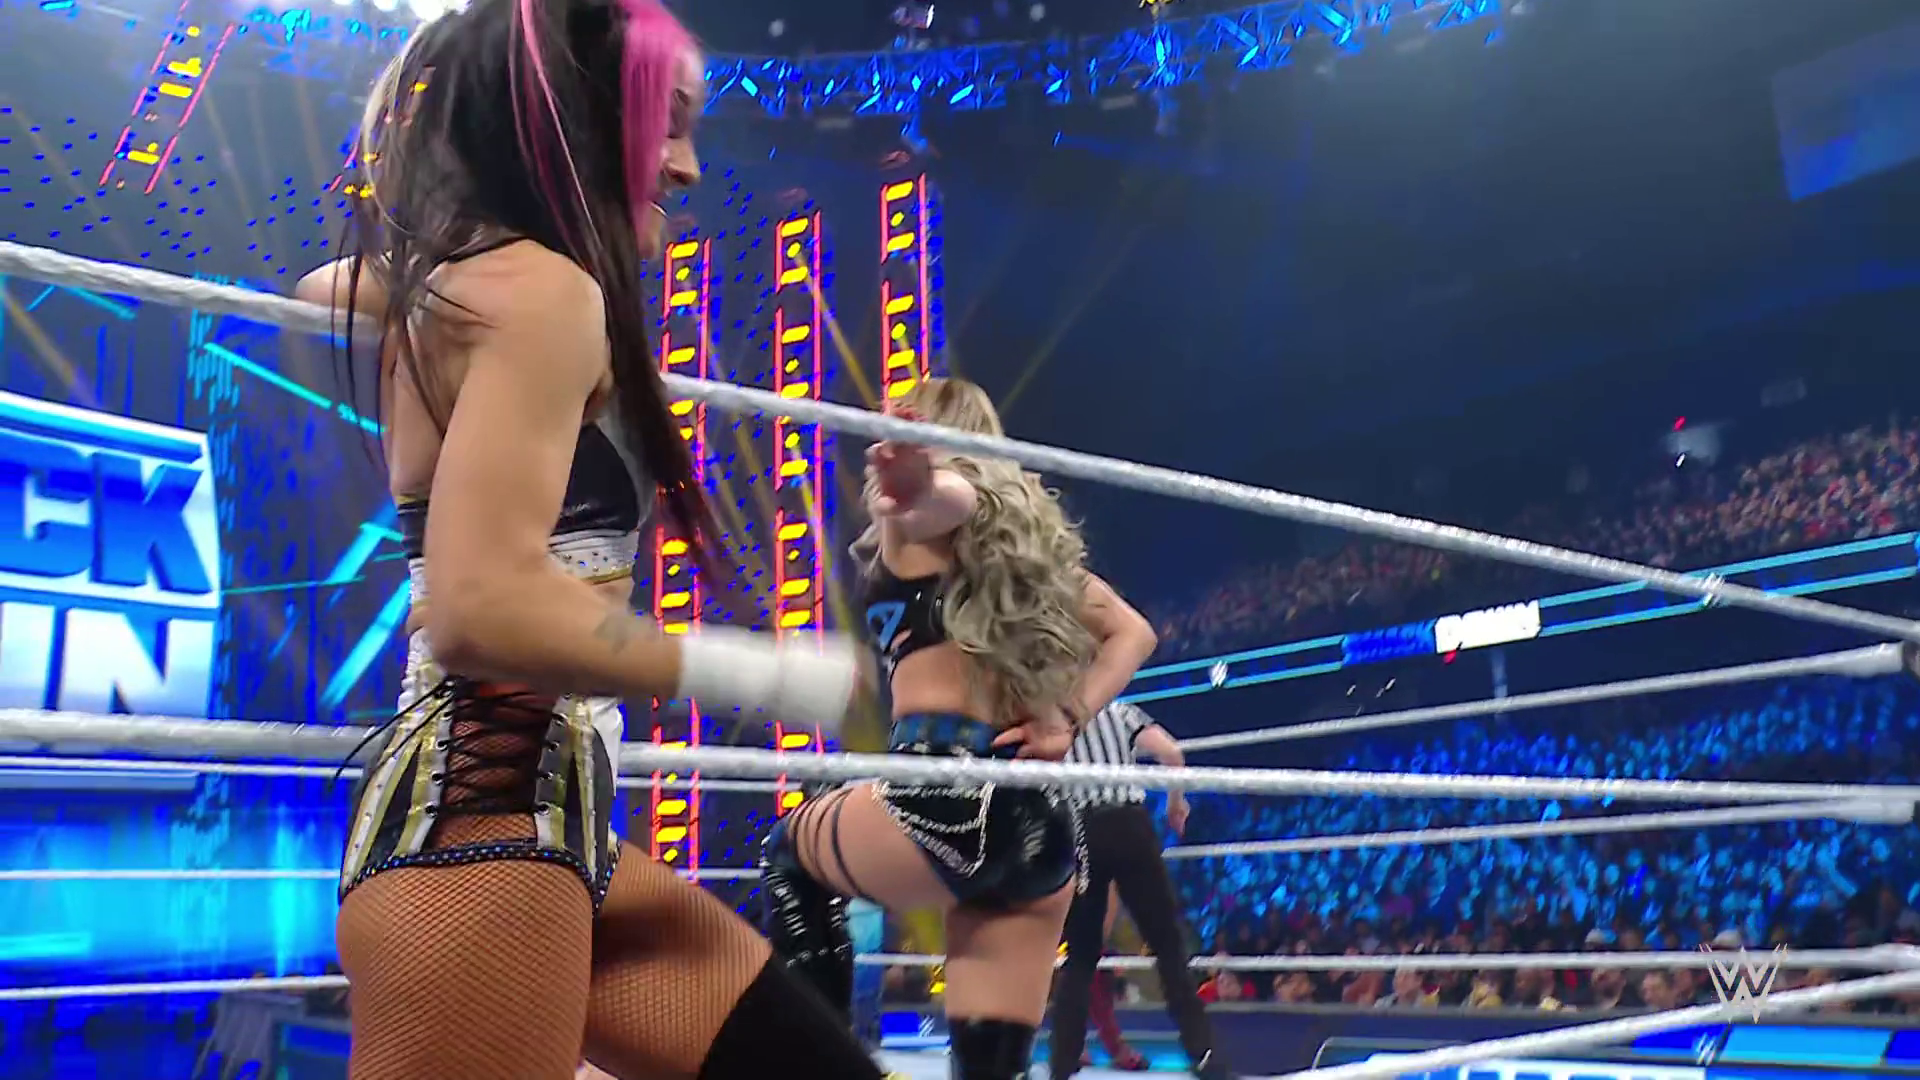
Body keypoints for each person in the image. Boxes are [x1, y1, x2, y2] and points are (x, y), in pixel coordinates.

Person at [296, 1, 886, 1076]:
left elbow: (322, 289)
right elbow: (479, 611)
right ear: (578, 115)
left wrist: (424, 273)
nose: (689, 166)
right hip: (482, 830)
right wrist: (766, 673)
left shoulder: (472, 284)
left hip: (550, 816)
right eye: (670, 121)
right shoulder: (542, 292)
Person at [756, 377, 1160, 1079]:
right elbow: (1135, 633)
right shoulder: (1034, 558)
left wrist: (915, 482)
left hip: (941, 802)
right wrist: (1068, 716)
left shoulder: (917, 521)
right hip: (1039, 824)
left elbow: (944, 500)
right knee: (989, 1069)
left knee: (790, 853)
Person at [1048, 701, 1233, 1080]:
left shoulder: (1051, 717)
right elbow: (1172, 754)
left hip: (1081, 833)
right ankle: (1204, 1056)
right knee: (1168, 946)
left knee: (1080, 955)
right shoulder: (1119, 712)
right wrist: (1176, 804)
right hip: (1129, 826)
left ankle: (1061, 1065)